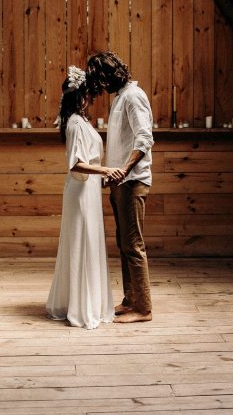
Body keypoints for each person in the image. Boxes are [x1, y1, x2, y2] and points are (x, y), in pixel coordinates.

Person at [46, 65, 124, 329]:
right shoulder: (77, 124)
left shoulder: (80, 121)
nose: (92, 98)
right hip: (80, 191)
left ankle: (85, 300)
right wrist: (105, 169)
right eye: (88, 94)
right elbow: (76, 164)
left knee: (88, 241)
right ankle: (82, 306)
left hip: (88, 189)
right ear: (79, 96)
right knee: (83, 242)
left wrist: (102, 178)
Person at [86, 51, 154, 323]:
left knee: (134, 245)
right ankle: (130, 300)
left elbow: (144, 138)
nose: (100, 88)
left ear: (109, 76)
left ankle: (144, 308)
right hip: (119, 181)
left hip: (132, 180)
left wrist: (124, 170)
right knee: (123, 243)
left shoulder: (134, 96)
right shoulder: (120, 98)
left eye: (101, 82)